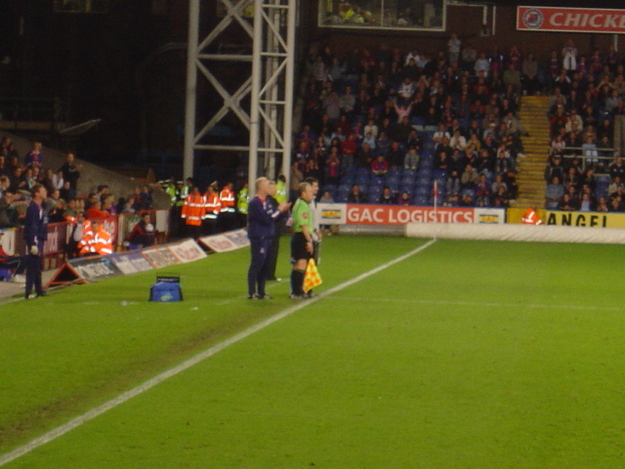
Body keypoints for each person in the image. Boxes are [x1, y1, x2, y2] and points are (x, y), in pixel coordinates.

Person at [246, 177, 290, 299]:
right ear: (260, 187)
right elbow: (266, 219)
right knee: (257, 264)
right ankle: (252, 292)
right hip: (259, 237)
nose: (269, 186)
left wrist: (282, 212)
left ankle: (261, 291)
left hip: (268, 236)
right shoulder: (255, 203)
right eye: (266, 184)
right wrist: (279, 211)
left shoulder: (268, 202)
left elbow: (273, 217)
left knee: (265, 265)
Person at [290, 182, 315, 299]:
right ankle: (297, 291)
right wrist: (309, 241)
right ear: (303, 193)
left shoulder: (301, 204)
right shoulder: (302, 205)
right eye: (309, 192)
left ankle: (299, 290)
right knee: (301, 263)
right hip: (301, 236)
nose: (312, 194)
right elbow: (303, 225)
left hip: (300, 236)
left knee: (300, 263)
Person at [24, 184, 48, 299]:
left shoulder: (40, 207)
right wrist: (33, 243)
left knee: (37, 266)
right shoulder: (33, 207)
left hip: (39, 238)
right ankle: (28, 292)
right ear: (37, 193)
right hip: (36, 239)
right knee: (33, 266)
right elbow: (32, 226)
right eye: (43, 190)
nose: (45, 192)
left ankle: (39, 290)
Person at [265, 180, 290, 283]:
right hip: (271, 231)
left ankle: (270, 274)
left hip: (274, 231)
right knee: (270, 253)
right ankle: (269, 274)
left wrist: (284, 210)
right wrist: (280, 210)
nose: (275, 190)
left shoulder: (273, 200)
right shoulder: (268, 201)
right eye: (273, 188)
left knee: (272, 253)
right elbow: (273, 216)